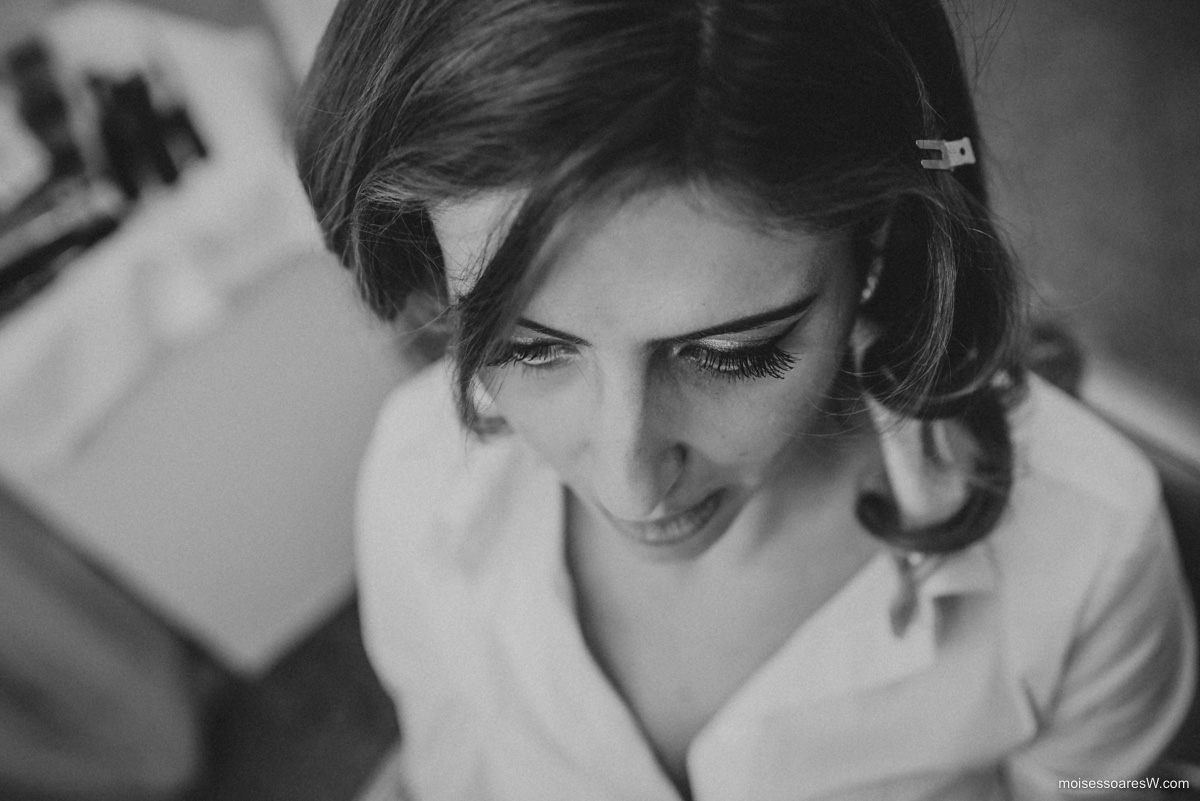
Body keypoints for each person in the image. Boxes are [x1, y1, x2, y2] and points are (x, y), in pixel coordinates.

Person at [295, 1, 1196, 798]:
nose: (631, 483)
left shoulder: (1091, 554)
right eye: (523, 348)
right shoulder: (415, 476)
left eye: (731, 355)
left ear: (878, 233)